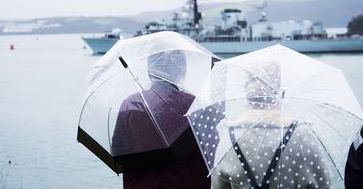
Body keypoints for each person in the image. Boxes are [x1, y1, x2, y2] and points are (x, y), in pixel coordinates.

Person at [212, 61, 331, 189]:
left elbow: (218, 186)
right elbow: (323, 183)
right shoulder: (302, 135)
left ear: (246, 92)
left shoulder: (229, 137)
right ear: (278, 89)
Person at [111, 50, 211, 189]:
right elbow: (212, 152)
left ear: (149, 72)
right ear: (182, 71)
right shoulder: (196, 107)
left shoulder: (131, 105)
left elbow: (118, 154)